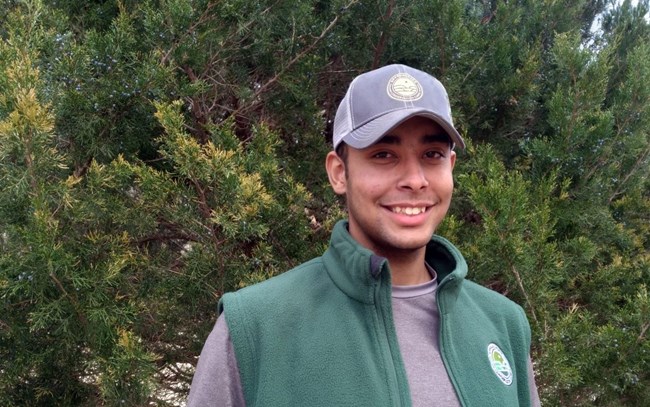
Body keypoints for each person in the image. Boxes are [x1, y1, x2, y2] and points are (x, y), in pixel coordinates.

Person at [187, 64, 541, 406]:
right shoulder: (254, 328)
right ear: (339, 173)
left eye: (432, 154)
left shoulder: (503, 324)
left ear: (450, 168)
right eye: (384, 154)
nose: (415, 179)